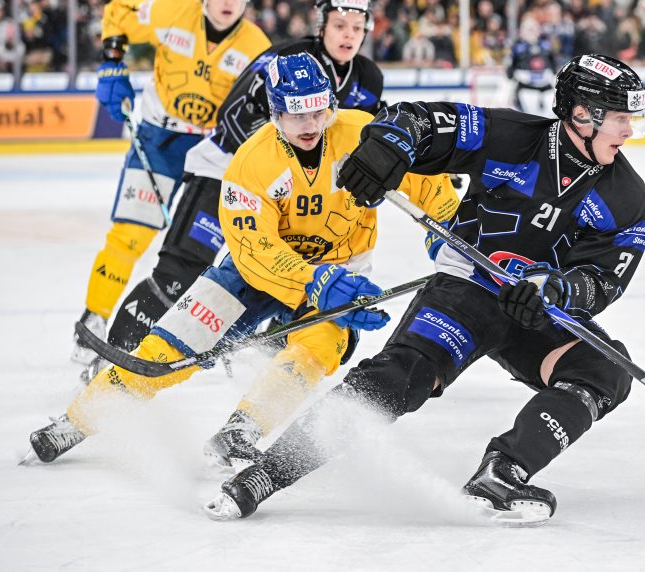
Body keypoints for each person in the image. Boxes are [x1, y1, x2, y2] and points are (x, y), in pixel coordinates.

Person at [204, 54, 645, 525]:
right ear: (582, 114)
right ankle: (263, 475)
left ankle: (502, 473)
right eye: (620, 118)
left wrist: (557, 290)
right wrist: (388, 147)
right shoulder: (512, 137)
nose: (628, 131)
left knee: (605, 369)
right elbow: (415, 120)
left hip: (534, 310)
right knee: (398, 379)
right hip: (467, 289)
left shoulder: (627, 198)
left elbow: (604, 279)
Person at [26, 53, 459, 466]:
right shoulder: (250, 164)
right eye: (297, 115)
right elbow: (256, 252)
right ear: (275, 112)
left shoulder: (363, 134)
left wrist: (449, 232)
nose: (311, 124)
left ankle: (242, 430)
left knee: (318, 348)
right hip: (254, 274)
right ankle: (77, 420)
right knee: (170, 346)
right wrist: (313, 280)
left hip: (341, 271)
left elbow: (427, 182)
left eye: (318, 111)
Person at [88, 0, 385, 384]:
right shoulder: (283, 58)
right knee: (181, 273)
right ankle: (116, 362)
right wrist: (279, 164)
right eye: (339, 25)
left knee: (295, 279)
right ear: (321, 25)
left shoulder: (368, 78)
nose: (348, 35)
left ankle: (269, 356)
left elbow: (358, 139)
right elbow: (231, 116)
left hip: (296, 197)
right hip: (228, 173)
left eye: (357, 27)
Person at [69, 0, 271, 373]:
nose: (227, 1)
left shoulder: (257, 47)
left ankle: (190, 332)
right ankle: (93, 320)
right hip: (159, 141)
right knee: (130, 234)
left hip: (215, 154)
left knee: (198, 252)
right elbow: (118, 11)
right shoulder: (172, 12)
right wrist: (112, 62)